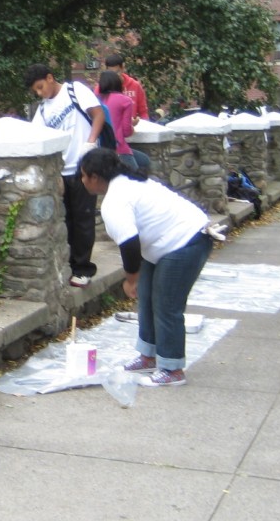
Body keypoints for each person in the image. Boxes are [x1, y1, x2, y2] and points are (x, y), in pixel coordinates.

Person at [78, 148, 214, 387]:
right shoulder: (128, 182)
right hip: (164, 244)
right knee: (148, 297)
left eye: (83, 175)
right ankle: (148, 355)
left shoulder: (115, 201)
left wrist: (131, 279)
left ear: (95, 177)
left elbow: (129, 245)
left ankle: (172, 369)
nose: (82, 180)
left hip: (185, 241)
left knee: (166, 304)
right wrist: (138, 280)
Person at [25, 63, 106, 288]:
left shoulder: (75, 91)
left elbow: (97, 115)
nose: (40, 93)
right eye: (36, 91)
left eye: (41, 87)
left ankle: (83, 268)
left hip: (83, 168)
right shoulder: (42, 110)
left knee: (83, 219)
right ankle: (69, 264)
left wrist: (90, 143)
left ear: (50, 78)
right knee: (66, 219)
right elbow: (36, 137)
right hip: (60, 172)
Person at [97, 70, 137, 168]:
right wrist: (133, 126)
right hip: (118, 148)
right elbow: (126, 131)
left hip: (99, 149)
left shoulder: (96, 100)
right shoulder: (125, 100)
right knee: (143, 165)